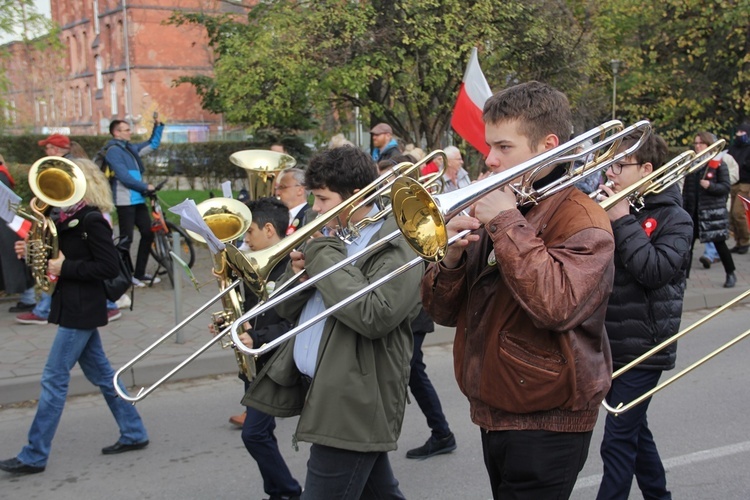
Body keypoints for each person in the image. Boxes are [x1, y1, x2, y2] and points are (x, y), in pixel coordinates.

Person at [421, 81, 615, 499]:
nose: (489, 159)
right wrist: (450, 259)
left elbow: (557, 306)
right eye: (488, 146)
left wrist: (507, 223)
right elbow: (444, 313)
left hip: (548, 416)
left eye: (504, 147)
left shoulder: (583, 219)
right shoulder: (505, 204)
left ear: (548, 145)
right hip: (498, 407)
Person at [244, 145, 423, 499]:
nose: (316, 209)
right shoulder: (327, 232)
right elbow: (285, 308)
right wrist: (297, 277)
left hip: (355, 396)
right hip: (326, 388)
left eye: (324, 199)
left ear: (355, 197)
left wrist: (322, 256)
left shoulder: (398, 241)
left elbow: (376, 315)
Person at [0, 158, 149, 476]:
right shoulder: (63, 217)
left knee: (53, 379)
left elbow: (107, 267)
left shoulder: (91, 219)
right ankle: (134, 432)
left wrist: (64, 267)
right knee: (103, 375)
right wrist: (31, 252)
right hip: (72, 306)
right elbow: (56, 257)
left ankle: (34, 454)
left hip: (82, 309)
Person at [595, 132, 693, 500]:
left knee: (617, 439)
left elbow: (654, 271)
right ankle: (659, 495)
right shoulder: (621, 209)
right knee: (636, 431)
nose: (611, 173)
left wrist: (621, 220)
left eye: (619, 165)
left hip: (647, 346)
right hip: (613, 340)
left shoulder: (676, 218)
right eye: (609, 165)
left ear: (647, 169)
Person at [232, 197, 303, 500]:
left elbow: (299, 324)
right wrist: (231, 323)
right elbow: (250, 312)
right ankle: (278, 492)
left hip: (278, 363)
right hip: (258, 360)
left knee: (254, 433)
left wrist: (258, 336)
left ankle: (288, 491)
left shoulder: (293, 267)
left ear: (270, 230)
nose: (245, 240)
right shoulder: (255, 263)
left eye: (249, 233)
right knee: (262, 434)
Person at [105, 118, 165, 287]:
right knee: (126, 240)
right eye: (126, 130)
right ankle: (125, 276)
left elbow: (152, 145)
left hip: (137, 199)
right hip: (125, 202)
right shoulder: (113, 151)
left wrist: (158, 126)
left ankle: (139, 273)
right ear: (116, 132)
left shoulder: (130, 148)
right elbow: (124, 177)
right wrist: (145, 186)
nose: (129, 132)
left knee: (147, 233)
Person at [683, 131, 736, 288]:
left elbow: (725, 187)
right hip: (693, 212)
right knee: (687, 247)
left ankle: (730, 273)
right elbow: (687, 190)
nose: (698, 146)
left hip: (711, 213)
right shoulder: (692, 164)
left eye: (701, 143)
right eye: (696, 143)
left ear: (708, 145)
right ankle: (683, 279)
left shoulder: (718, 164)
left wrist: (711, 186)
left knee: (720, 244)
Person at [0, 155, 35, 311]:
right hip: (8, 223)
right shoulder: (2, 173)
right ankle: (29, 298)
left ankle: (29, 299)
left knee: (17, 261)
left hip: (6, 225)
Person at [728, 123, 750, 254]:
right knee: (732, 215)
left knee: (738, 213)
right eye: (739, 131)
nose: (739, 134)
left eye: (742, 132)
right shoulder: (734, 147)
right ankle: (738, 241)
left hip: (745, 183)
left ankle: (745, 240)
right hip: (734, 183)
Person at [274, 167, 310, 236]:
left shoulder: (309, 217)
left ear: (300, 190)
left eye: (282, 187)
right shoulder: (282, 215)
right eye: (278, 188)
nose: (277, 193)